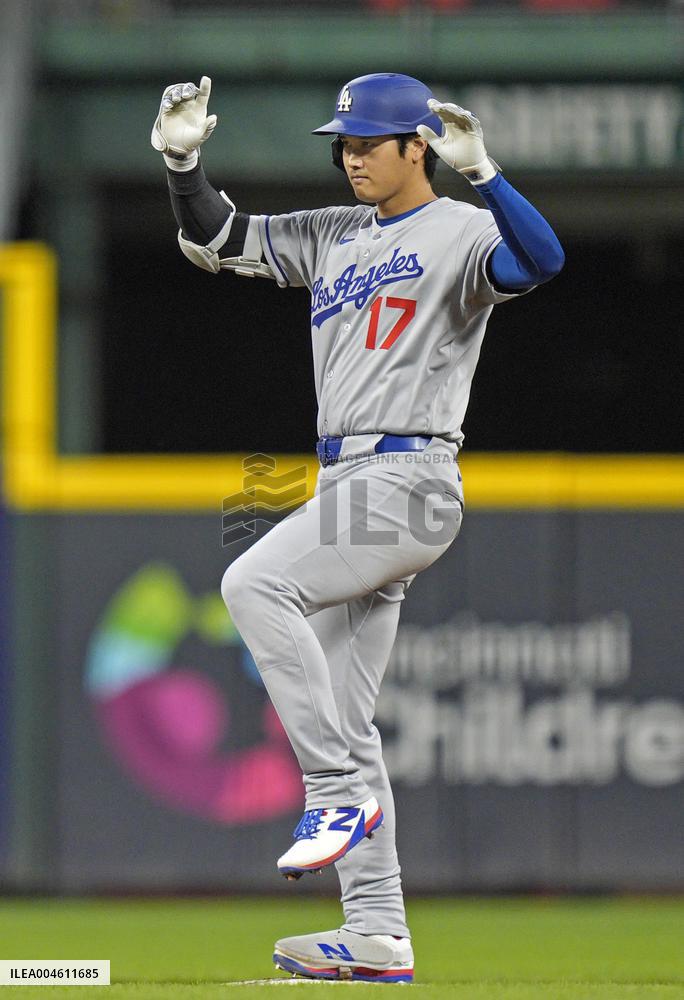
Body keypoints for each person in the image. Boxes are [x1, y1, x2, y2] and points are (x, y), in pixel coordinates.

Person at [151, 71, 564, 984]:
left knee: (253, 583)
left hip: (411, 474)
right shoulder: (332, 232)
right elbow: (217, 237)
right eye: (343, 143)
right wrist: (184, 164)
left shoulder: (459, 230)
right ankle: (377, 932)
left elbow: (540, 262)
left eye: (370, 142)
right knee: (346, 711)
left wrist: (487, 175)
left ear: (419, 145)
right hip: (347, 476)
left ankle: (334, 793)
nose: (351, 157)